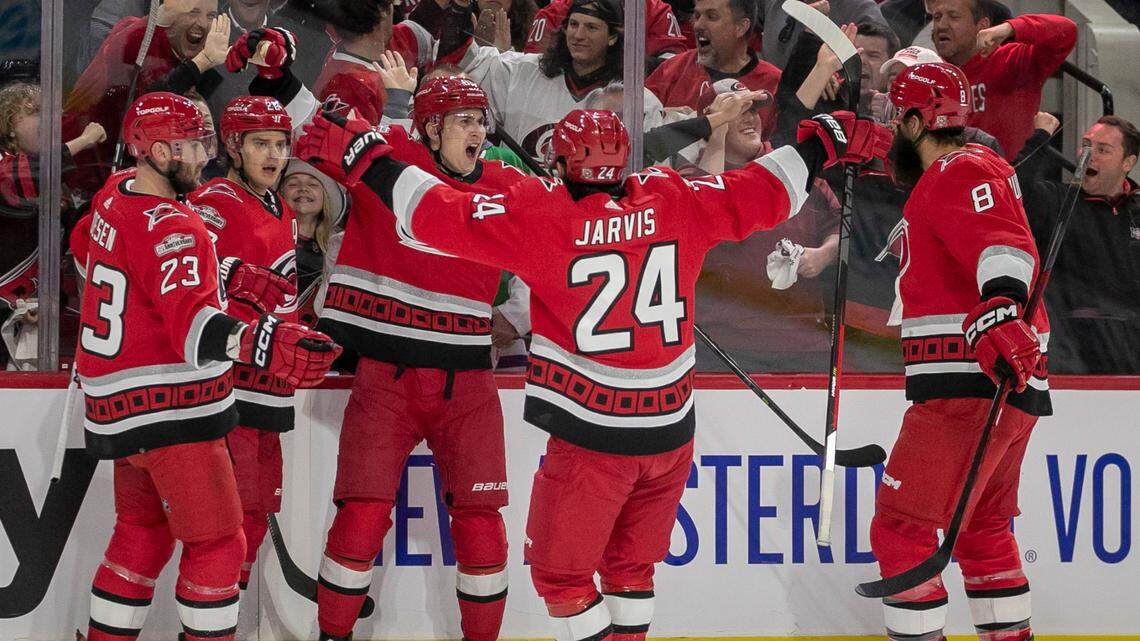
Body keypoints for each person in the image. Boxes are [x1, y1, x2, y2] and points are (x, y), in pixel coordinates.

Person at [295, 104, 888, 641]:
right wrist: (822, 145)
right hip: (672, 436)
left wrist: (365, 158)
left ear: (562, 163)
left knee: (561, 579)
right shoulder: (677, 200)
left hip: (595, 437)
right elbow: (763, 189)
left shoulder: (545, 218)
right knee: (630, 571)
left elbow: (437, 212)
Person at [77, 91, 338, 641]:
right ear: (160, 150)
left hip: (117, 410)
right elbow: (197, 331)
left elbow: (87, 252)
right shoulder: (181, 227)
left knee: (140, 536)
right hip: (176, 410)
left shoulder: (112, 196)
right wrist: (265, 344)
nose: (204, 156)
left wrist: (228, 272)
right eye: (194, 146)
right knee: (220, 544)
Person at [309, 76, 528, 641]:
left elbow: (564, 224)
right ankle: (333, 636)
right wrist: (277, 76)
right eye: (463, 119)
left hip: (470, 385)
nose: (479, 130)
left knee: (481, 522)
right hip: (387, 381)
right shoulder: (395, 159)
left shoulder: (505, 181)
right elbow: (320, 127)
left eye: (482, 118)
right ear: (430, 128)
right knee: (360, 515)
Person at [869, 62, 1050, 641]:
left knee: (900, 530)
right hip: (1002, 385)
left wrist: (1000, 304)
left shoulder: (956, 168)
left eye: (898, 119)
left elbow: (1004, 245)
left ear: (919, 123)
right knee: (981, 528)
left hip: (968, 384)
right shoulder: (958, 169)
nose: (894, 129)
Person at [183, 95, 304, 597]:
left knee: (254, 518)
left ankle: (223, 618)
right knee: (228, 527)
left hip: (271, 386)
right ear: (233, 146)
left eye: (279, 143)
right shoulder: (214, 201)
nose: (273, 155)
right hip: (233, 388)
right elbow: (193, 280)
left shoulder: (276, 203)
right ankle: (210, 621)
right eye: (260, 143)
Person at [436, 0, 666, 161]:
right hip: (517, 203)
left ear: (613, 37)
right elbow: (460, 64)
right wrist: (459, 8)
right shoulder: (522, 71)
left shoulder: (637, 101)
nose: (578, 35)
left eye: (591, 27)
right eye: (573, 25)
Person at [1016, 113, 1140, 374]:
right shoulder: (1056, 200)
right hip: (1070, 355)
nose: (1089, 155)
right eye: (1086, 145)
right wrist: (1039, 138)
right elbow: (1011, 192)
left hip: (1131, 356)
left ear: (1127, 162)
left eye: (1102, 150)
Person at [927, 0, 1076, 159]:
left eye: (953, 17)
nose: (941, 25)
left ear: (982, 25)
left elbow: (1068, 30)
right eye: (937, 17)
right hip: (949, 179)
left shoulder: (1013, 60)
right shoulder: (928, 76)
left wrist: (1008, 28)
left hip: (1011, 179)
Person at [645, 0, 781, 139]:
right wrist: (661, 115)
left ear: (740, 27)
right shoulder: (672, 69)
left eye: (711, 17)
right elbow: (638, 127)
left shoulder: (775, 84)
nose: (698, 25)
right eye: (697, 16)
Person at [280, 160, 348, 327]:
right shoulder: (265, 236)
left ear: (325, 197)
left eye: (313, 184)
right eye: (293, 183)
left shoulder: (340, 245)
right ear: (280, 194)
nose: (303, 188)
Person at [523, 0, 686, 59]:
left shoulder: (657, 11)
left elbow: (672, 70)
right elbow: (536, 69)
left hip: (628, 104)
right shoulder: (553, 14)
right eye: (573, 25)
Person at [758, 0, 887, 69]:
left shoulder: (860, 7)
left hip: (832, 103)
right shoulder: (772, 2)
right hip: (774, 98)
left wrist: (833, 74)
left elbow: (879, 59)